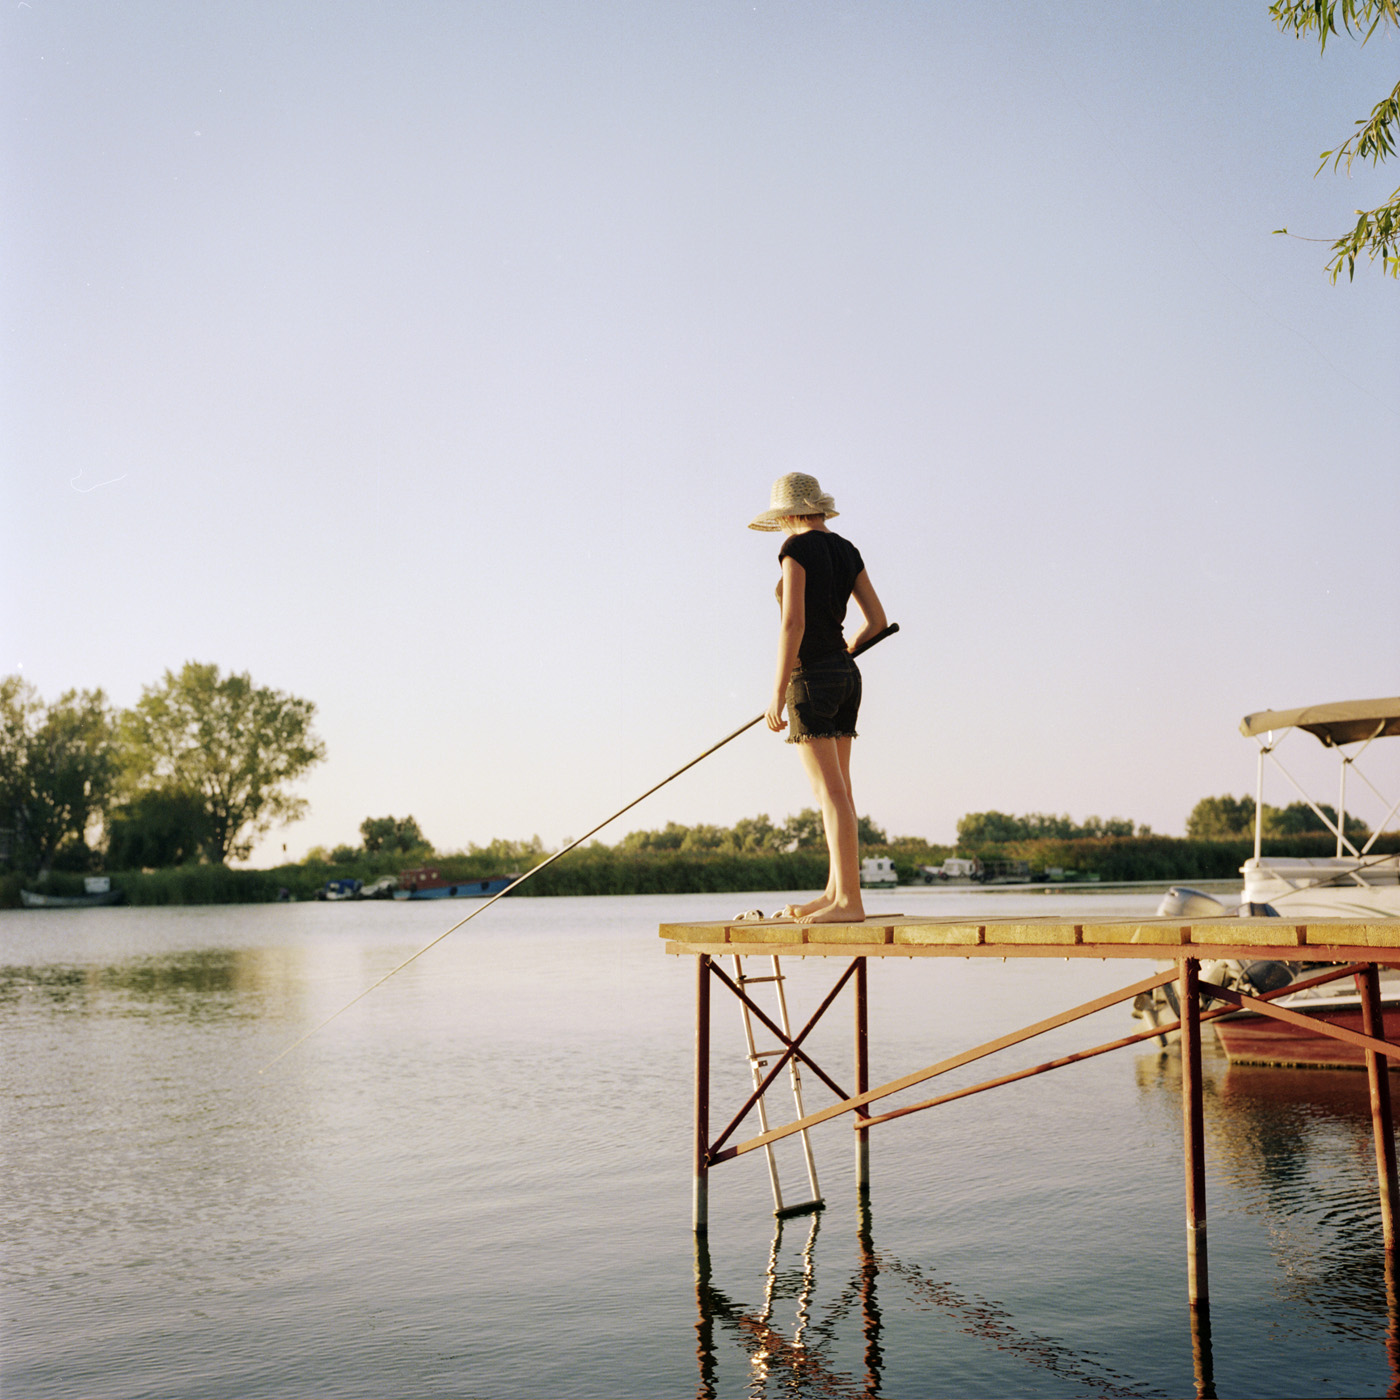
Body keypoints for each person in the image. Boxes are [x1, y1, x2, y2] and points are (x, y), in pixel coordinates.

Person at [750, 473, 887, 924]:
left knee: (829, 793)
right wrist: (843, 653)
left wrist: (776, 692)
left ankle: (849, 902)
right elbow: (877, 621)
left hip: (809, 679)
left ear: (788, 515)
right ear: (819, 508)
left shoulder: (795, 549)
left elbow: (793, 624)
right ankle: (835, 893)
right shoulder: (848, 550)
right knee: (840, 792)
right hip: (847, 677)